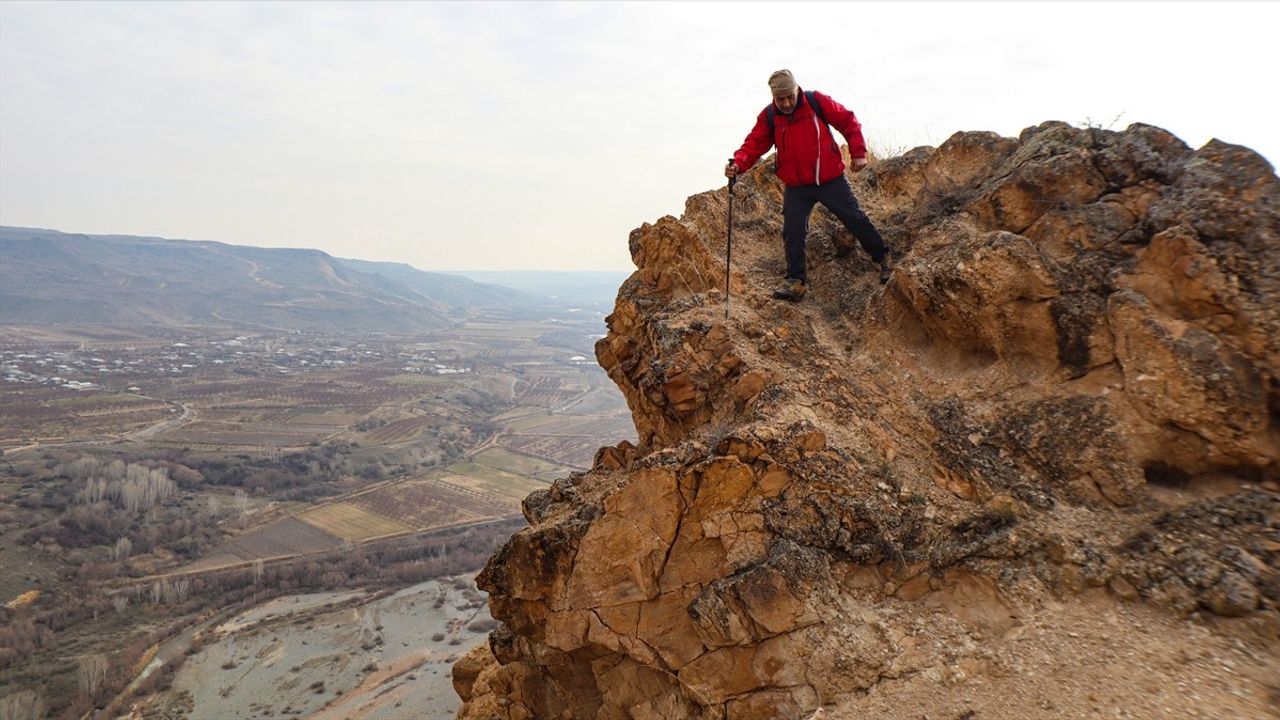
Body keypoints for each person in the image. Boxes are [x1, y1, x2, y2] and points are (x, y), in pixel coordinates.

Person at [726, 69, 891, 301]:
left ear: (797, 90)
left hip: (830, 178)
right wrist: (738, 164)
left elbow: (848, 121)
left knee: (854, 218)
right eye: (779, 99)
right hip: (796, 186)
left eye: (789, 97)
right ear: (773, 97)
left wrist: (858, 152)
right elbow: (753, 144)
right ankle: (796, 281)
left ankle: (884, 258)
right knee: (792, 232)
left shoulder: (816, 102)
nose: (785, 103)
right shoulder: (770, 116)